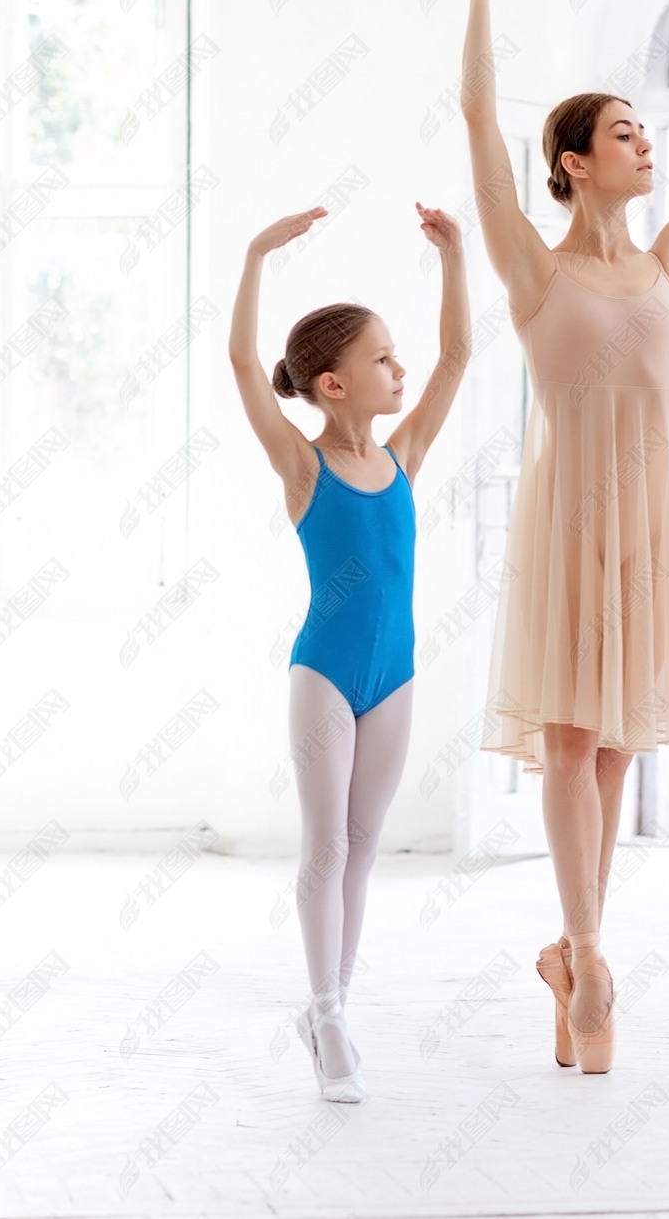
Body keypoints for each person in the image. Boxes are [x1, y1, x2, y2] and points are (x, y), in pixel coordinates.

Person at [461, 0, 669, 1073]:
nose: (644, 142)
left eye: (641, 127)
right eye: (621, 130)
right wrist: (481, 5)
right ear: (574, 161)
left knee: (620, 748)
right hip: (568, 520)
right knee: (572, 741)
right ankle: (588, 953)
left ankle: (573, 958)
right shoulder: (536, 268)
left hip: (652, 528)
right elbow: (482, 137)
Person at [228, 201, 471, 1102]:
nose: (398, 368)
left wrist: (454, 257)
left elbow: (455, 360)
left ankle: (335, 1002)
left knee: (364, 847)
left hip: (396, 676)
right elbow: (245, 366)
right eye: (379, 358)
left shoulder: (404, 455)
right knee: (324, 848)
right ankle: (327, 1022)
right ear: (331, 385)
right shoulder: (304, 468)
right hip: (324, 672)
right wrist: (257, 252)